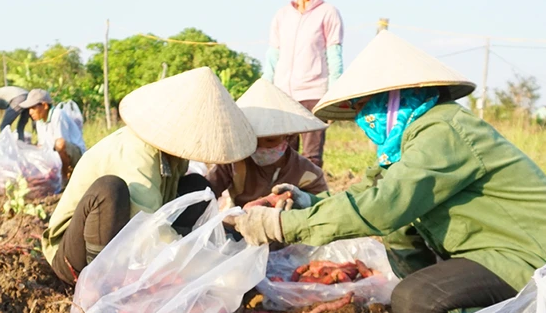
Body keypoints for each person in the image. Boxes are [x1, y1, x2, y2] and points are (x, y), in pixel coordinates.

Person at [232, 31, 546, 313]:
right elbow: (373, 193)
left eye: (368, 106)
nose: (364, 118)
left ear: (395, 99)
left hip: (533, 263)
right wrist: (311, 204)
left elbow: (386, 204)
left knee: (414, 300)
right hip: (488, 253)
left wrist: (281, 224)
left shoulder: (443, 130)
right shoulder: (408, 140)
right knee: (400, 233)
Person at [42, 67, 256, 286]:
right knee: (110, 190)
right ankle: (98, 284)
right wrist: (195, 268)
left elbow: (163, 213)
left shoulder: (174, 152)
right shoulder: (137, 151)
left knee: (197, 188)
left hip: (124, 241)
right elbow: (148, 226)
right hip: (74, 254)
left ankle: (157, 272)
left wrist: (208, 252)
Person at [264, 0, 346, 168]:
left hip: (314, 92)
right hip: (284, 94)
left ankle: (312, 199)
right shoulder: (282, 15)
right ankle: (283, 197)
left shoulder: (329, 13)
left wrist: (333, 93)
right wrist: (267, 88)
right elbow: (273, 56)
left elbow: (334, 55)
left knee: (312, 156)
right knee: (282, 153)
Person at [208, 78, 328, 208]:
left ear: (287, 137)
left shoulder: (308, 173)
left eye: (270, 140)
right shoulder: (233, 162)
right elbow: (208, 189)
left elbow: (325, 205)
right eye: (254, 140)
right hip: (238, 222)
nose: (261, 147)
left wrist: (302, 199)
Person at [21, 89, 87, 179]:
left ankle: (64, 178)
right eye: (29, 109)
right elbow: (42, 145)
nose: (30, 112)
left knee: (60, 144)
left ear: (44, 106)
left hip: (76, 156)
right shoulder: (39, 122)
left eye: (33, 108)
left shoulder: (58, 115)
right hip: (56, 154)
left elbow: (61, 144)